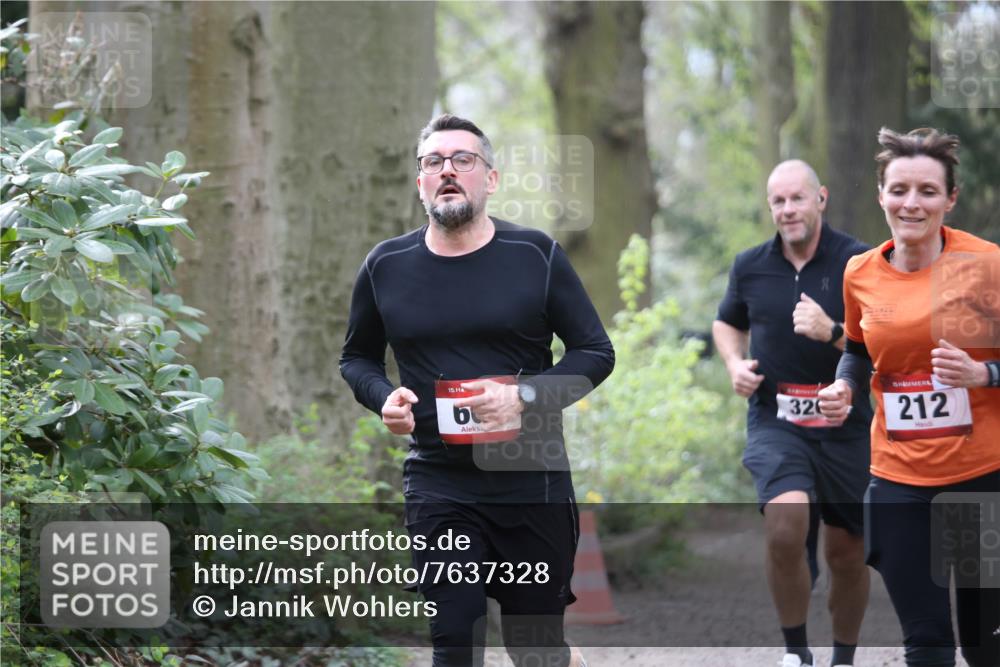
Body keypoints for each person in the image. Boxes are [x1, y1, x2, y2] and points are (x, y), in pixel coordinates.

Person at [340, 114, 613, 667]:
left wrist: (525, 396)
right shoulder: (386, 266)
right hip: (440, 481)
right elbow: (357, 358)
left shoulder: (535, 255)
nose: (447, 171)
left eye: (463, 160)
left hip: (529, 477)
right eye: (433, 162)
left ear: (490, 179)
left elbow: (595, 352)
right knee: (456, 640)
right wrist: (383, 397)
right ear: (419, 182)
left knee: (534, 650)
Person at [818, 127, 1000, 667]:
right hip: (899, 476)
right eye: (899, 189)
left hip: (982, 477)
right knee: (927, 645)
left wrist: (982, 374)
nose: (911, 203)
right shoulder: (860, 272)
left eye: (926, 191)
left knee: (985, 646)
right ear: (881, 195)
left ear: (950, 199)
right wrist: (845, 385)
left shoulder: (987, 265)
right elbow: (856, 349)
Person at [713, 160, 873, 667]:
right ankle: (796, 653)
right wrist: (735, 363)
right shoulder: (750, 265)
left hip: (847, 425)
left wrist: (832, 331)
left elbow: (884, 348)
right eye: (778, 202)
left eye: (797, 198)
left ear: (821, 198)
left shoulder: (859, 263)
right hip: (776, 421)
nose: (787, 210)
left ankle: (842, 658)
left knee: (846, 552)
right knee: (785, 526)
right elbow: (725, 323)